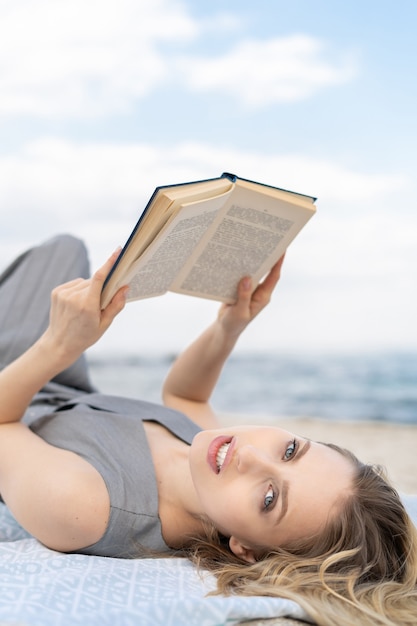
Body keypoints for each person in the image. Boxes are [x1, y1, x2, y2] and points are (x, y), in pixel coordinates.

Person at [0, 234, 416, 626]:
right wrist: (230, 325)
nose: (250, 456)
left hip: (14, 387)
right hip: (56, 382)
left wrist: (59, 345)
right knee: (66, 251)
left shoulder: (82, 507)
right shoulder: (214, 463)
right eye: (290, 450)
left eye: (269, 498)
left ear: (246, 549)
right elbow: (186, 397)